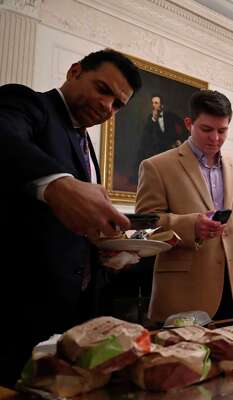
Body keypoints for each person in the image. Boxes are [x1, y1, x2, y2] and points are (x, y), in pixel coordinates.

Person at [0, 49, 142, 386]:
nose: (108, 106)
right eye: (103, 89)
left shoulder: (84, 142)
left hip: (76, 311)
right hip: (17, 309)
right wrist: (56, 184)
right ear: (74, 71)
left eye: (118, 104)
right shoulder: (28, 104)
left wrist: (106, 247)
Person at [136, 89, 233, 322]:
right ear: (188, 123)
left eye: (222, 130)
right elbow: (144, 226)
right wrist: (190, 226)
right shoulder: (157, 166)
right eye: (206, 129)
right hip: (183, 294)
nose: (215, 138)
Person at [137, 94, 186, 165]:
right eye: (152, 103)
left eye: (156, 103)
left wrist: (180, 139)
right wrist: (153, 119)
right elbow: (146, 136)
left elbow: (185, 125)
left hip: (171, 148)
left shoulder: (170, 115)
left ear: (162, 106)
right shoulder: (150, 118)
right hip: (157, 151)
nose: (153, 105)